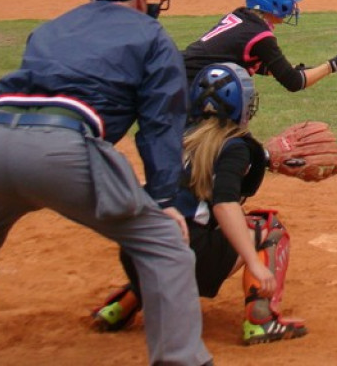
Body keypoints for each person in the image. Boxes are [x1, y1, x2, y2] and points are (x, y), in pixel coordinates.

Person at [0, 0, 212, 366]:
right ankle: (181, 360)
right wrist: (165, 199)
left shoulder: (53, 25)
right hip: (60, 149)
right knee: (165, 246)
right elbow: (159, 123)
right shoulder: (150, 33)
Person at [91, 63, 308, 346]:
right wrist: (254, 263)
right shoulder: (234, 146)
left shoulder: (178, 134)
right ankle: (261, 320)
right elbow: (224, 205)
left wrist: (264, 158)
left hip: (136, 254)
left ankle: (119, 307)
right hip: (189, 262)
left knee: (168, 236)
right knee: (269, 227)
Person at [183, 0, 337, 95]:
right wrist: (334, 65)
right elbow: (294, 82)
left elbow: (263, 66)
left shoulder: (242, 16)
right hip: (183, 87)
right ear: (273, 3)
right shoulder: (261, 35)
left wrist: (301, 70)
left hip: (178, 74)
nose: (292, 4)